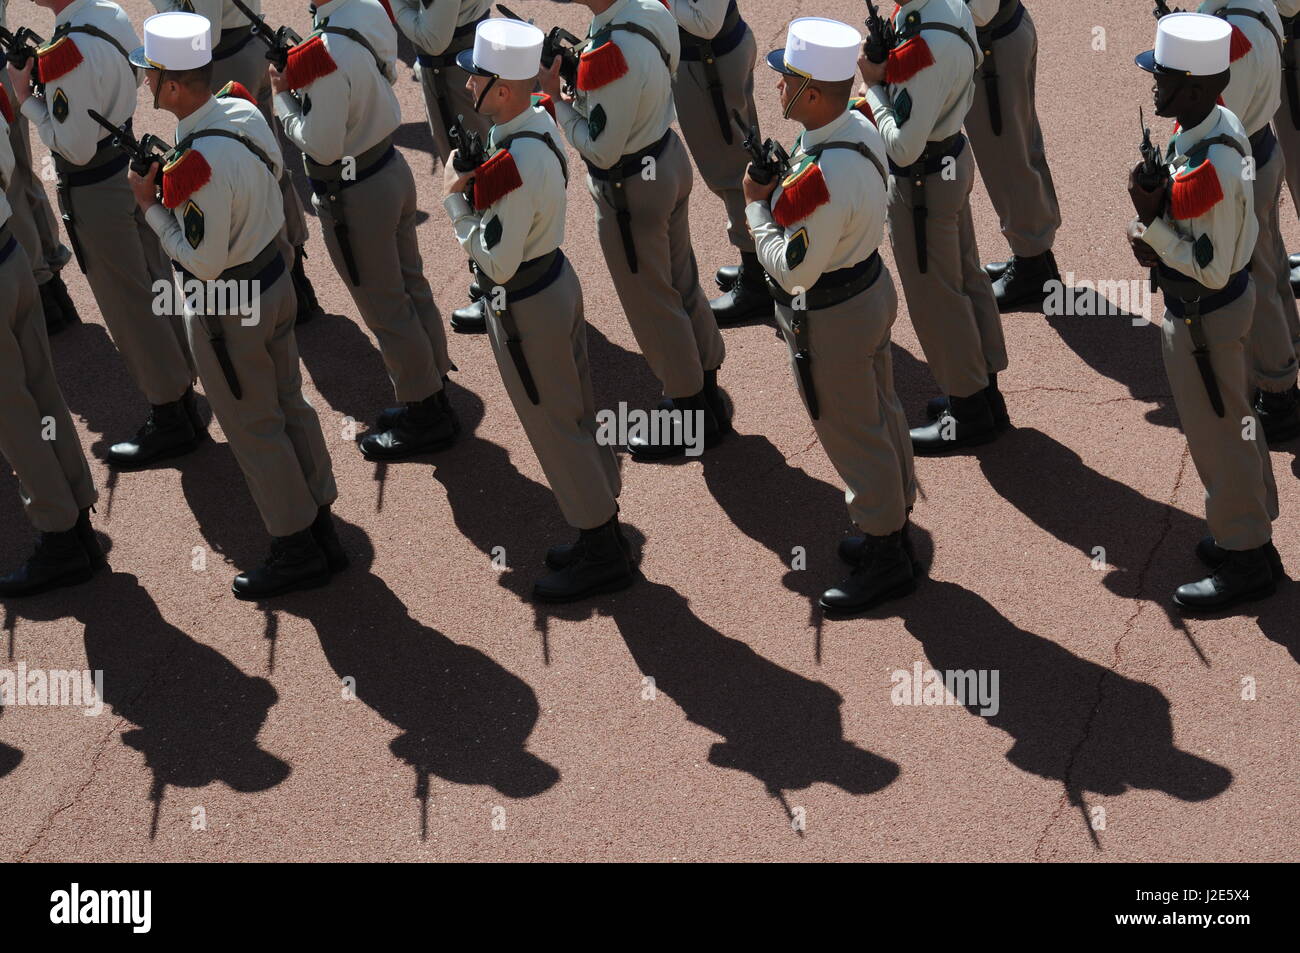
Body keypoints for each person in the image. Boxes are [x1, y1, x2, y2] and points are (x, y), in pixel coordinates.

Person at [128, 11, 343, 599]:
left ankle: (295, 546)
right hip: (273, 279)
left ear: (173, 85)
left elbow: (200, 260)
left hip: (228, 301)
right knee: (289, 403)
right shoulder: (241, 108)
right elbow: (275, 170)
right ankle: (321, 523)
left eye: (151, 74)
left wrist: (150, 206)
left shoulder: (196, 164)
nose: (146, 83)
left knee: (253, 428)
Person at [444, 17, 633, 602]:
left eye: (477, 77)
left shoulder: (513, 160)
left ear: (502, 90)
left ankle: (603, 550)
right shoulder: (539, 125)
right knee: (573, 412)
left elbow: (494, 262)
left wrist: (457, 204)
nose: (468, 84)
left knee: (556, 426)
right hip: (552, 282)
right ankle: (599, 526)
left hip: (525, 299)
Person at [748, 17, 918, 615]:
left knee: (852, 431)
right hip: (868, 288)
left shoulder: (821, 175)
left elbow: (792, 270)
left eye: (786, 80)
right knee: (882, 410)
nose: (778, 88)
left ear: (812, 94)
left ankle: (886, 555)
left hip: (834, 313)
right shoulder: (858, 128)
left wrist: (757, 212)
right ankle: (893, 521)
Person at [7, 0, 204, 469]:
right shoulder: (111, 13)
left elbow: (73, 146)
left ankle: (170, 415)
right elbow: (137, 75)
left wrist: (27, 98)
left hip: (95, 186)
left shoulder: (65, 50)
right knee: (155, 286)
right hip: (128, 170)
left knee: (128, 305)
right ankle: (184, 394)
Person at [1130, 11, 1283, 610]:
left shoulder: (1211, 163)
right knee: (1236, 425)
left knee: (1219, 434)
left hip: (1206, 312)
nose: (1154, 86)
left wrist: (1151, 230)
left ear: (1193, 88)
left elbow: (1210, 265)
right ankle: (1252, 535)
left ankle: (1247, 558)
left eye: (1162, 77)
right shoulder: (1213, 124)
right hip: (1218, 308)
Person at [538, 0, 729, 462]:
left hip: (630, 191)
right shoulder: (652, 8)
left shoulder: (610, 51)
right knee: (681, 281)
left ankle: (687, 416)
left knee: (652, 303)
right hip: (665, 157)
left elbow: (601, 150)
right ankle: (707, 392)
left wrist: (559, 104)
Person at [271, 0, 460, 461]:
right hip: (389, 169)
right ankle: (432, 382)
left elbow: (322, 143)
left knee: (385, 307)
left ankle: (426, 412)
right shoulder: (368, 9)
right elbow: (385, 76)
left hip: (354, 196)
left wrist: (283, 94)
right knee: (411, 286)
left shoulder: (325, 52)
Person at [857, 0, 1010, 454]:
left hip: (922, 181)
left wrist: (875, 89)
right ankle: (985, 393)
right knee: (966, 279)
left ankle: (969, 414)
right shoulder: (950, 7)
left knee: (937, 298)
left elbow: (903, 147)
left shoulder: (927, 41)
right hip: (950, 159)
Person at [147, 0, 323, 322]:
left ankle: (291, 278)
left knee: (237, 163)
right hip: (247, 44)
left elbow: (204, 35)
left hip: (224, 58)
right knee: (265, 160)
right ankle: (295, 275)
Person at [0, 97, 102, 598]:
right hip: (10, 258)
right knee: (42, 394)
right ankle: (77, 517)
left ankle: (60, 539)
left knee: (14, 419)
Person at [1195, 0, 1300, 443]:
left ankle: (1278, 393)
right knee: (1272, 263)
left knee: (1254, 276)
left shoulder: (1230, 30)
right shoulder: (1254, 6)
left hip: (1238, 166)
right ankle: (1287, 354)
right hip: (1261, 153)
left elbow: (1214, 119)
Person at [659, 0, 770, 325]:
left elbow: (705, 22)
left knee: (733, 172)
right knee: (745, 159)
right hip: (715, 55)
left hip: (709, 65)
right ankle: (760, 261)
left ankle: (756, 284)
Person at [965, 0, 1062, 313]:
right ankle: (1036, 256)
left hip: (994, 51)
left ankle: (1032, 270)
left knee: (1007, 162)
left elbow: (979, 11)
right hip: (1002, 36)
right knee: (1020, 153)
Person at [0, 0, 77, 334]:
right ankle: (53, 275)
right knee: (23, 176)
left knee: (11, 188)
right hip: (5, 75)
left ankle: (42, 287)